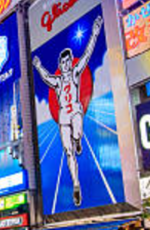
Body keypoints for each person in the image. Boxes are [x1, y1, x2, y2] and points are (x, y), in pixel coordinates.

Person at [33, 15, 104, 207]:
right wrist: (39, 67)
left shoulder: (74, 74)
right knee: (68, 151)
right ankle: (76, 184)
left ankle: (78, 139)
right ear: (60, 64)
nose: (65, 66)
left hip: (76, 111)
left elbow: (87, 54)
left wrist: (95, 33)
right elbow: (47, 77)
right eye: (62, 63)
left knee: (78, 132)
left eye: (67, 62)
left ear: (69, 62)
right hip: (64, 115)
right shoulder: (58, 81)